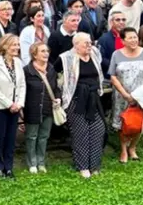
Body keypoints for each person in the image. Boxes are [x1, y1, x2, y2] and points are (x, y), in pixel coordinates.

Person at [58, 33, 105, 178]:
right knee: (81, 132)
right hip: (75, 99)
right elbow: (54, 72)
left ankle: (94, 165)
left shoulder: (95, 54)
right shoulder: (66, 58)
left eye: (90, 42)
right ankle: (83, 166)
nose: (89, 45)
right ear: (76, 45)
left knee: (98, 129)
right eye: (86, 43)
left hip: (93, 97)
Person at [108, 27, 143, 162]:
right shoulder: (116, 55)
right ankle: (123, 149)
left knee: (139, 122)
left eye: (135, 37)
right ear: (123, 41)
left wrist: (141, 92)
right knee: (124, 123)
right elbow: (113, 76)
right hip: (122, 96)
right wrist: (125, 94)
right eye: (129, 38)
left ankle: (133, 147)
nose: (133, 40)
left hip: (141, 96)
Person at [0, 34, 25, 178]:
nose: (17, 47)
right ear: (4, 46)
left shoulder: (18, 62)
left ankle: (8, 167)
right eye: (13, 45)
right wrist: (9, 104)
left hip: (15, 106)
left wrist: (19, 104)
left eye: (17, 44)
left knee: (11, 138)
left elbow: (22, 84)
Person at [23, 42, 59, 174]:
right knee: (31, 136)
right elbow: (23, 90)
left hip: (48, 108)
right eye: (42, 51)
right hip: (32, 109)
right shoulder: (27, 71)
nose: (46, 54)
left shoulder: (51, 69)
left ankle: (41, 161)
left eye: (47, 51)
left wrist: (58, 97)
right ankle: (32, 162)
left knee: (44, 136)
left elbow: (55, 88)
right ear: (34, 54)